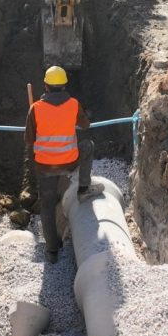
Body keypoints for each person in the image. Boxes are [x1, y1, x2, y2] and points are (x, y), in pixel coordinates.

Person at [23, 65, 102, 263]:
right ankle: (84, 188)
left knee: (47, 206)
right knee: (88, 146)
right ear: (65, 85)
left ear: (46, 86)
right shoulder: (73, 104)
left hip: (45, 166)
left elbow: (29, 139)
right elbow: (86, 125)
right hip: (69, 161)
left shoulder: (36, 109)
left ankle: (51, 250)